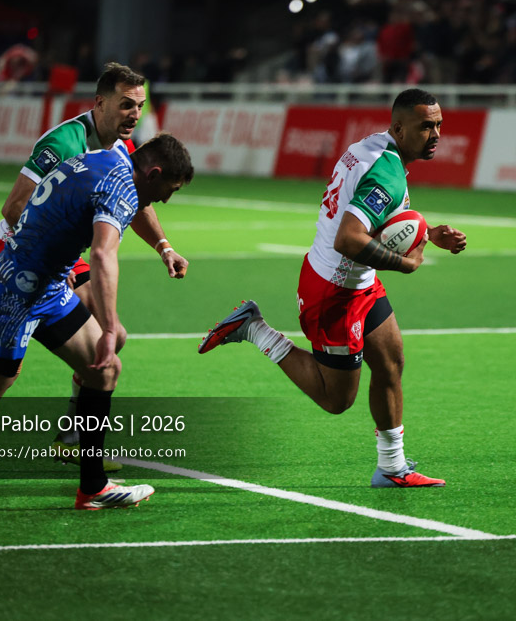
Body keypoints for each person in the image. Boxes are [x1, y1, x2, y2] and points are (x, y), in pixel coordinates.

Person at [0, 63, 189, 471]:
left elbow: (132, 200)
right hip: (18, 257)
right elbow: (13, 208)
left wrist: (164, 246)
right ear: (100, 103)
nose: (135, 114)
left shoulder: (121, 148)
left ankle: (76, 441)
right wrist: (48, 258)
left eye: (140, 105)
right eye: (126, 105)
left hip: (54, 262)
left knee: (108, 343)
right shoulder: (63, 141)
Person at [198, 89, 466, 487]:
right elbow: (349, 238)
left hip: (359, 282)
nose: (436, 134)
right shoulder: (387, 173)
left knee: (391, 362)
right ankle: (254, 328)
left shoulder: (373, 147)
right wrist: (406, 263)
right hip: (333, 291)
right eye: (426, 126)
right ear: (399, 128)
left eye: (439, 124)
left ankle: (392, 467)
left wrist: (427, 236)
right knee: (336, 399)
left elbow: (385, 219)